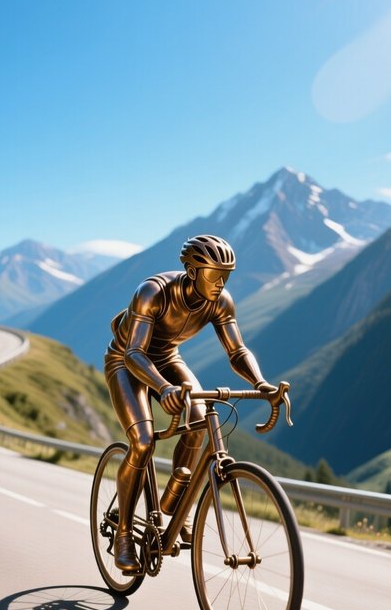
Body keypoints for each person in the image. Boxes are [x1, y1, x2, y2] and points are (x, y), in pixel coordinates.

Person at [104, 234, 278, 572]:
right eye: (215, 275)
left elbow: (237, 351)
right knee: (141, 443)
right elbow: (135, 353)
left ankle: (176, 510)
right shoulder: (153, 292)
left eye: (226, 276)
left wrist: (261, 383)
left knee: (199, 422)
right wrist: (164, 388)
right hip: (127, 361)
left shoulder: (220, 301)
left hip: (168, 357)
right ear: (192, 271)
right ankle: (124, 534)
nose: (221, 284)